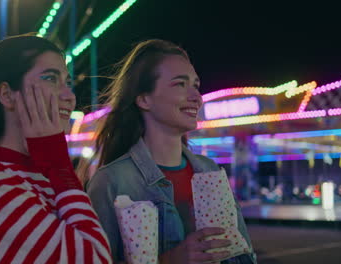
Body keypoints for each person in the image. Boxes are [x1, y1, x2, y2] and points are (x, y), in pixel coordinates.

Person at [0, 34, 111, 264]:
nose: (69, 96)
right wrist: (60, 165)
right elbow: (95, 259)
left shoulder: (43, 175)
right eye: (50, 78)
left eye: (68, 83)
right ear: (7, 95)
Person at [86, 39, 256, 263]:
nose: (197, 97)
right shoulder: (112, 181)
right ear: (144, 99)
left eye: (195, 85)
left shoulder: (210, 170)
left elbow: (244, 255)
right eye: (180, 84)